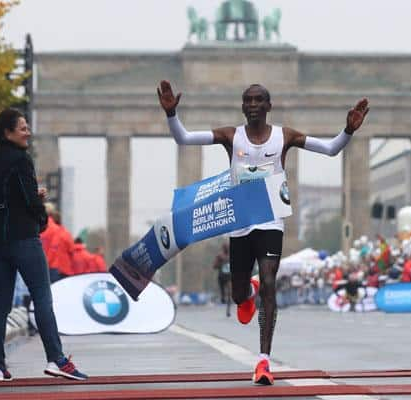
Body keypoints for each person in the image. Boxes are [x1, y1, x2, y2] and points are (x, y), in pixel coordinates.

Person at [157, 80, 368, 385]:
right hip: (240, 222)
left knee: (270, 281)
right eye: (248, 100)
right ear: (243, 107)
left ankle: (263, 361)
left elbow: (331, 149)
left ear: (269, 106)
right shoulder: (232, 136)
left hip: (270, 220)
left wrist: (348, 130)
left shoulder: (286, 136)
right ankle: (248, 291)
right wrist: (171, 114)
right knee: (239, 293)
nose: (253, 104)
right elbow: (185, 139)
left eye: (259, 100)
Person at [0, 108, 88, 381]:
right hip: (23, 238)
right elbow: (29, 201)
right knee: (42, 297)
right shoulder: (21, 160)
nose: (28, 132)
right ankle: (57, 359)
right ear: (8, 133)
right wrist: (40, 215)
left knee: (0, 302)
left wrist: (29, 197)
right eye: (23, 128)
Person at [212, 243, 232, 317]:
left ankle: (228, 311)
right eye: (226, 248)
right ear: (223, 249)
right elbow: (214, 266)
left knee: (230, 292)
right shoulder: (219, 256)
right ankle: (223, 297)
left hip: (229, 277)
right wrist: (220, 263)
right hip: (221, 277)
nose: (227, 249)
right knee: (223, 293)